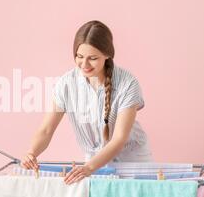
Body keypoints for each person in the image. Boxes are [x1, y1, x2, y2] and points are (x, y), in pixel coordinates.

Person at [21, 20, 154, 184]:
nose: (84, 64)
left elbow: (119, 138)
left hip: (132, 159)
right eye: (79, 56)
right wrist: (32, 153)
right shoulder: (66, 83)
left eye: (92, 58)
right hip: (92, 162)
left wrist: (89, 168)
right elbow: (47, 129)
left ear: (107, 55)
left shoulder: (128, 84)